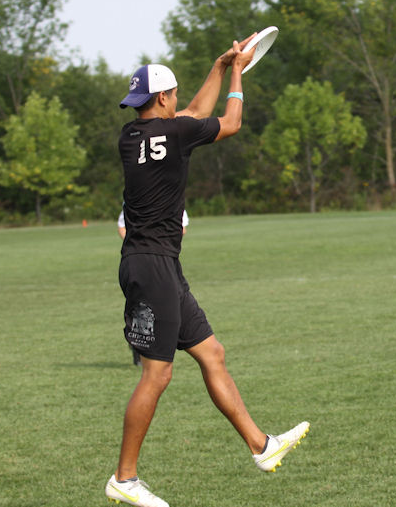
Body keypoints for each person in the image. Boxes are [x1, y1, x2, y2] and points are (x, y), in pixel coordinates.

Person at [106, 38, 309, 507]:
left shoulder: (130, 137)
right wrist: (238, 71)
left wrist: (219, 66)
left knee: (211, 353)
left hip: (155, 264)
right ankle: (124, 478)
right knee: (156, 376)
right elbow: (228, 122)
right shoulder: (176, 132)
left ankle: (261, 446)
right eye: (173, 95)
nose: (178, 101)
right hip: (152, 265)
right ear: (164, 98)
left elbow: (193, 113)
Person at [118, 207, 188, 366]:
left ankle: (142, 343)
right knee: (145, 308)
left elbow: (182, 227)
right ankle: (139, 346)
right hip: (144, 260)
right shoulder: (135, 202)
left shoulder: (172, 200)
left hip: (166, 258)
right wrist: (135, 242)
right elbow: (122, 227)